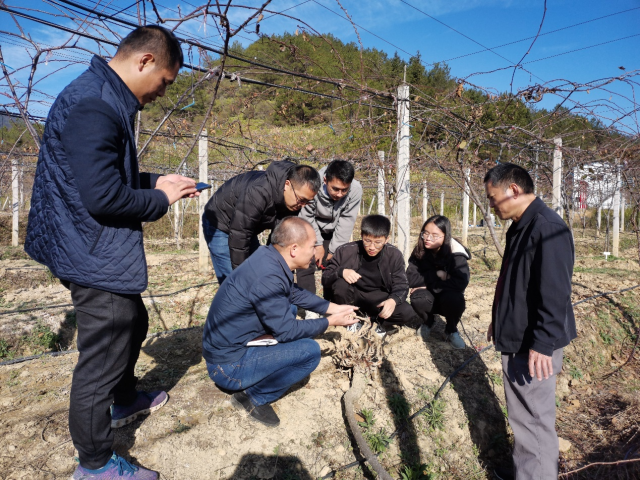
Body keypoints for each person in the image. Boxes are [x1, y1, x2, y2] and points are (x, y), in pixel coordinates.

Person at [24, 26, 195, 480]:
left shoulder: (102, 96)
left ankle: (123, 400)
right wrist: (162, 200)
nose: (162, 92)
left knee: (132, 321)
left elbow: (103, 173)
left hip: (84, 242)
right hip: (90, 249)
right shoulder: (97, 104)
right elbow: (103, 198)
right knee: (101, 357)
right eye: (165, 81)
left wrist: (157, 181)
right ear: (144, 62)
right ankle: (95, 465)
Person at [202, 216, 359, 427]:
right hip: (228, 367)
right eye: (313, 246)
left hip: (226, 349)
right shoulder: (268, 276)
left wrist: (333, 308)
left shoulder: (269, 258)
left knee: (291, 308)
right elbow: (286, 331)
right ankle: (253, 397)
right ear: (294, 249)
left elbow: (292, 293)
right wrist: (330, 322)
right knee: (309, 352)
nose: (315, 252)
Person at [484, 163, 576, 480]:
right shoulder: (523, 225)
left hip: (532, 345)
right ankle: (527, 472)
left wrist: (543, 343)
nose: (492, 205)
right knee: (526, 421)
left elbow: (555, 291)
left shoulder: (546, 227)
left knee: (533, 425)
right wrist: (500, 319)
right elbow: (516, 282)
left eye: (493, 197)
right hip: (519, 336)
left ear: (513, 190)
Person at [202, 161, 321, 284]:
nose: (302, 205)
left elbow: (279, 240)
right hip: (220, 222)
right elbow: (239, 236)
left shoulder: (293, 201)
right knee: (234, 282)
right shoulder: (258, 192)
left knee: (260, 272)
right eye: (301, 200)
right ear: (287, 184)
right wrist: (241, 279)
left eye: (307, 202)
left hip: (246, 226)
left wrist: (281, 275)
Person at [321, 214, 416, 338]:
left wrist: (393, 300)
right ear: (361, 236)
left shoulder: (394, 255)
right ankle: (352, 320)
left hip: (379, 301)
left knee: (406, 312)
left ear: (386, 239)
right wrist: (341, 271)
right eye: (367, 241)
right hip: (353, 298)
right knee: (340, 284)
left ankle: (376, 324)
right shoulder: (345, 251)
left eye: (378, 243)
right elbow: (325, 278)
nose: (372, 247)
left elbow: (401, 284)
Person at [297, 160, 362, 317]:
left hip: (335, 230)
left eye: (344, 190)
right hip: (310, 227)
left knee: (335, 263)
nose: (339, 194)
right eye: (335, 189)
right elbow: (307, 216)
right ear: (325, 180)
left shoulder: (355, 190)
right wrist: (318, 244)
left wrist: (334, 249)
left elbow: (347, 220)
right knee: (306, 262)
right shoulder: (312, 183)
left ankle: (331, 304)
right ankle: (309, 307)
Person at [407, 215, 470, 350]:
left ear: (445, 236)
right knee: (418, 297)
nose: (428, 238)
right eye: (426, 233)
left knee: (455, 298)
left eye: (435, 235)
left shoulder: (456, 254)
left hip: (447, 296)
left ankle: (451, 329)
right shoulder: (420, 250)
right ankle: (428, 322)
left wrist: (427, 283)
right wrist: (438, 275)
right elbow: (411, 278)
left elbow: (460, 282)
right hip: (427, 295)